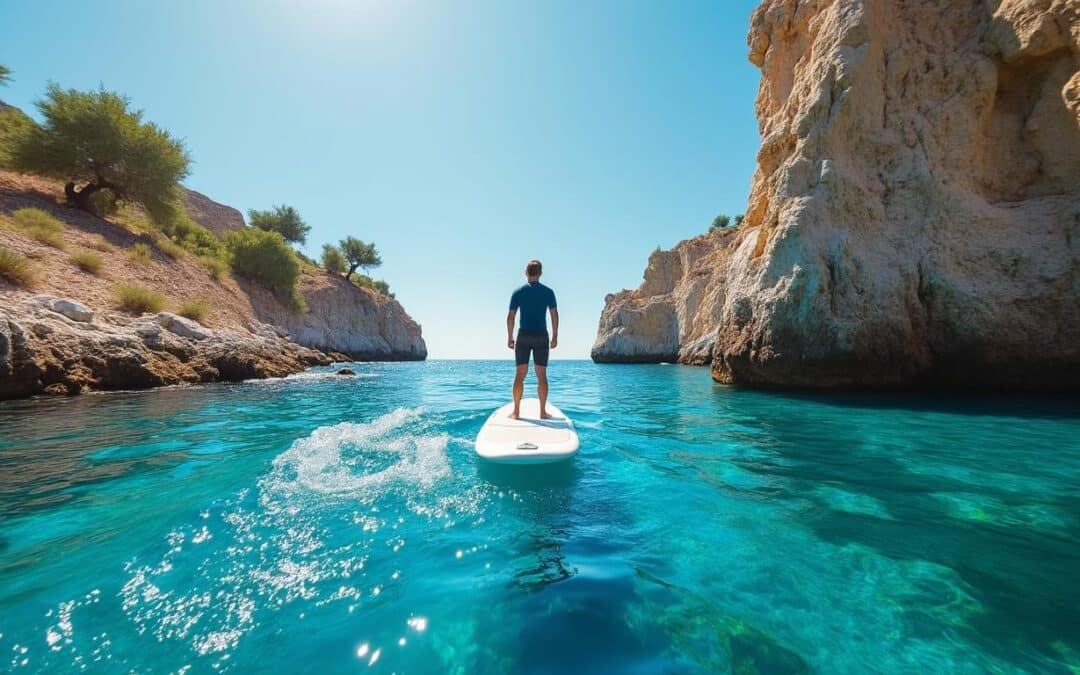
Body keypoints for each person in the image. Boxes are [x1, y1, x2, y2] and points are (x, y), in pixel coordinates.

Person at [506, 259, 558, 419]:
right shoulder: (548, 292)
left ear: (526, 273)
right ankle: (542, 412)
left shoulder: (518, 292)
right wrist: (555, 335)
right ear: (540, 273)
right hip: (541, 335)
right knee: (541, 375)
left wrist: (510, 336)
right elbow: (554, 314)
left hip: (524, 336)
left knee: (520, 374)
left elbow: (511, 317)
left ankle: (516, 412)